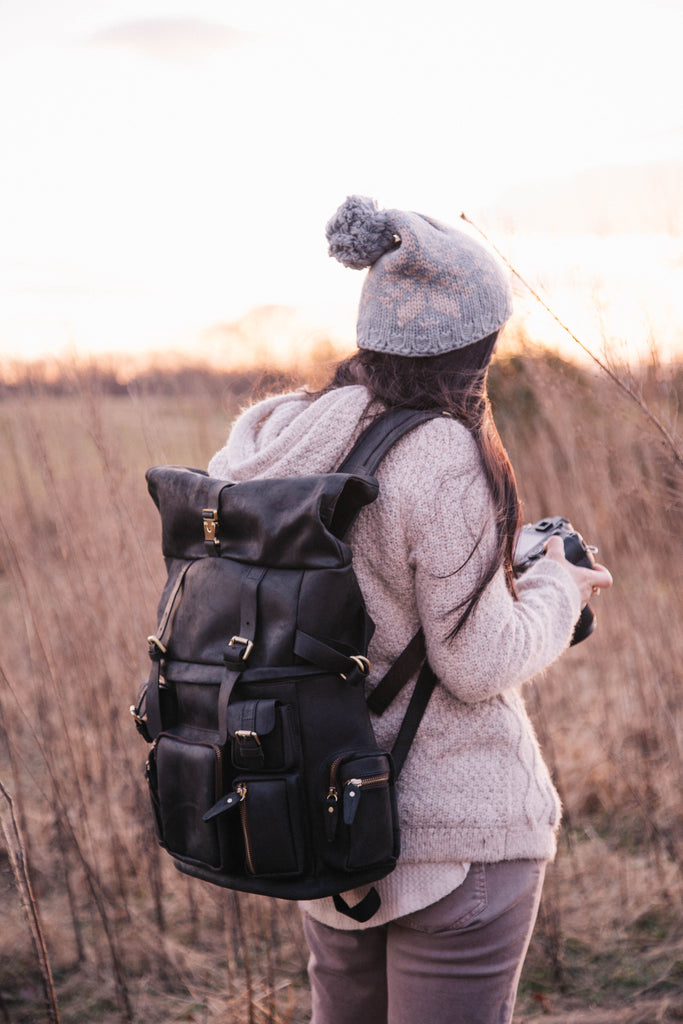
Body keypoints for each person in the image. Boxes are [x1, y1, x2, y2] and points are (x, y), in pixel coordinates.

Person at [207, 195, 614, 1024]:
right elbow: (477, 660)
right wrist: (555, 588)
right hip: (453, 841)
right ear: (480, 341)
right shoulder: (442, 450)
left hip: (320, 820)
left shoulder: (274, 438)